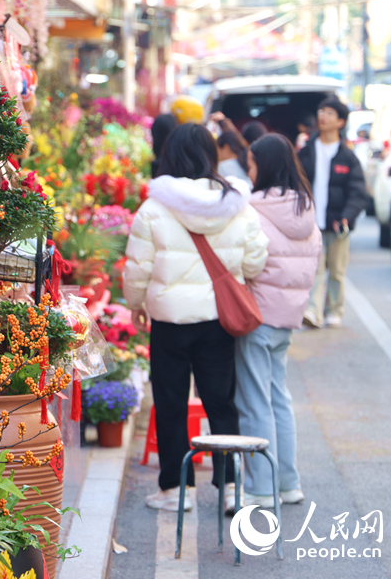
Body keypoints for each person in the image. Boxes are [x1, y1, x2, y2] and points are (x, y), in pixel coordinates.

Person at [124, 124, 269, 513]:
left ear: (170, 155)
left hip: (169, 321)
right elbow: (255, 261)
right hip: (218, 319)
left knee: (171, 402)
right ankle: (231, 488)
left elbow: (138, 267)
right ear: (211, 155)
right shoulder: (236, 204)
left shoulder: (154, 207)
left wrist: (135, 303)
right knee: (221, 403)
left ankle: (175, 490)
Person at [235, 134, 321, 508]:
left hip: (257, 316)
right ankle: (288, 483)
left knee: (255, 401)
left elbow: (246, 263)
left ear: (264, 166)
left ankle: (259, 488)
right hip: (287, 316)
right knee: (279, 398)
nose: (249, 171)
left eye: (252, 164)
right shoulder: (305, 209)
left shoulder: (253, 209)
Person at [297, 97, 369, 328]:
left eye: (329, 113)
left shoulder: (348, 157)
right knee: (314, 269)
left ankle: (334, 311)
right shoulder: (306, 152)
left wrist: (347, 216)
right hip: (311, 224)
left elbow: (358, 192)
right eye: (321, 111)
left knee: (337, 271)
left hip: (339, 223)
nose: (323, 116)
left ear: (340, 121)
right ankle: (313, 311)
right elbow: (296, 185)